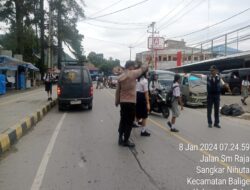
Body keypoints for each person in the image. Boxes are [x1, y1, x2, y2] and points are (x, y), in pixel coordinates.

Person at [115, 60, 150, 147]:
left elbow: (117, 91)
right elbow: (143, 68)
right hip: (130, 102)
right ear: (130, 67)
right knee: (129, 122)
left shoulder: (120, 77)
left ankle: (120, 138)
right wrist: (147, 61)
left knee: (123, 120)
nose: (134, 67)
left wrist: (117, 101)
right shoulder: (133, 73)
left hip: (123, 102)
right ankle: (126, 140)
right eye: (133, 66)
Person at [135, 72, 151, 136]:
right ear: (144, 74)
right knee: (144, 115)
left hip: (136, 96)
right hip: (142, 97)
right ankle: (143, 131)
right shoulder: (145, 81)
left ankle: (134, 123)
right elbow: (146, 93)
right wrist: (148, 103)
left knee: (137, 112)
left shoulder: (136, 80)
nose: (147, 74)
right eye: (147, 73)